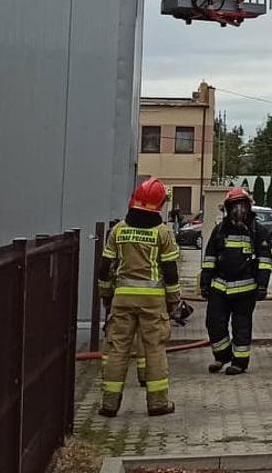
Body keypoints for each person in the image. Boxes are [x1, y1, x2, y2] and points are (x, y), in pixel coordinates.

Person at [96, 178, 181, 417]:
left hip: (122, 299)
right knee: (154, 349)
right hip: (153, 302)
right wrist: (174, 299)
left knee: (117, 349)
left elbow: (105, 267)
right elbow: (170, 271)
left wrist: (105, 294)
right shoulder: (162, 233)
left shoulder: (119, 230)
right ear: (160, 205)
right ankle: (158, 403)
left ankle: (109, 404)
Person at [201, 188, 272, 375]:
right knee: (214, 323)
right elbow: (210, 258)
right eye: (235, 205)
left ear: (249, 207)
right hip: (220, 287)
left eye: (242, 205)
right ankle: (222, 355)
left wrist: (263, 285)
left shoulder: (258, 232)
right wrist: (204, 283)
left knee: (241, 326)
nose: (239, 209)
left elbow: (265, 261)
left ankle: (239, 363)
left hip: (246, 289)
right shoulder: (220, 230)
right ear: (228, 207)